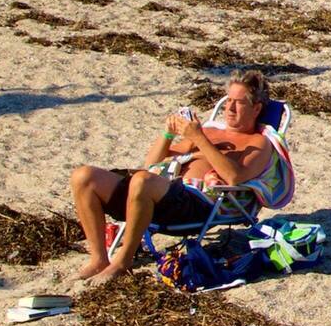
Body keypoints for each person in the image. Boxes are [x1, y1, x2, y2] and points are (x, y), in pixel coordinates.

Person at [68, 71, 276, 283]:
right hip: (159, 191)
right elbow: (151, 165)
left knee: (142, 181)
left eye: (238, 103)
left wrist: (199, 138)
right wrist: (168, 134)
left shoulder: (258, 143)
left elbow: (234, 176)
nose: (230, 108)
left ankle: (123, 262)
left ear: (256, 108)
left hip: (196, 204)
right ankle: (99, 259)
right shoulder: (210, 131)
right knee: (84, 176)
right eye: (228, 100)